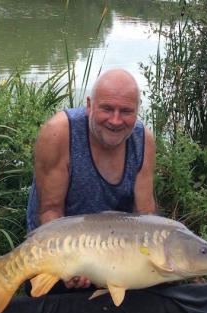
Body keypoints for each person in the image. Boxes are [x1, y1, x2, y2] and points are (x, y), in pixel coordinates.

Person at [26, 68, 157, 291]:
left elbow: (145, 215)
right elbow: (50, 211)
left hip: (115, 247)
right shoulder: (59, 133)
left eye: (126, 111)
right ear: (89, 105)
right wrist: (68, 264)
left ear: (137, 111)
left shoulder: (143, 140)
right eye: (107, 109)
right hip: (58, 245)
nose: (116, 121)